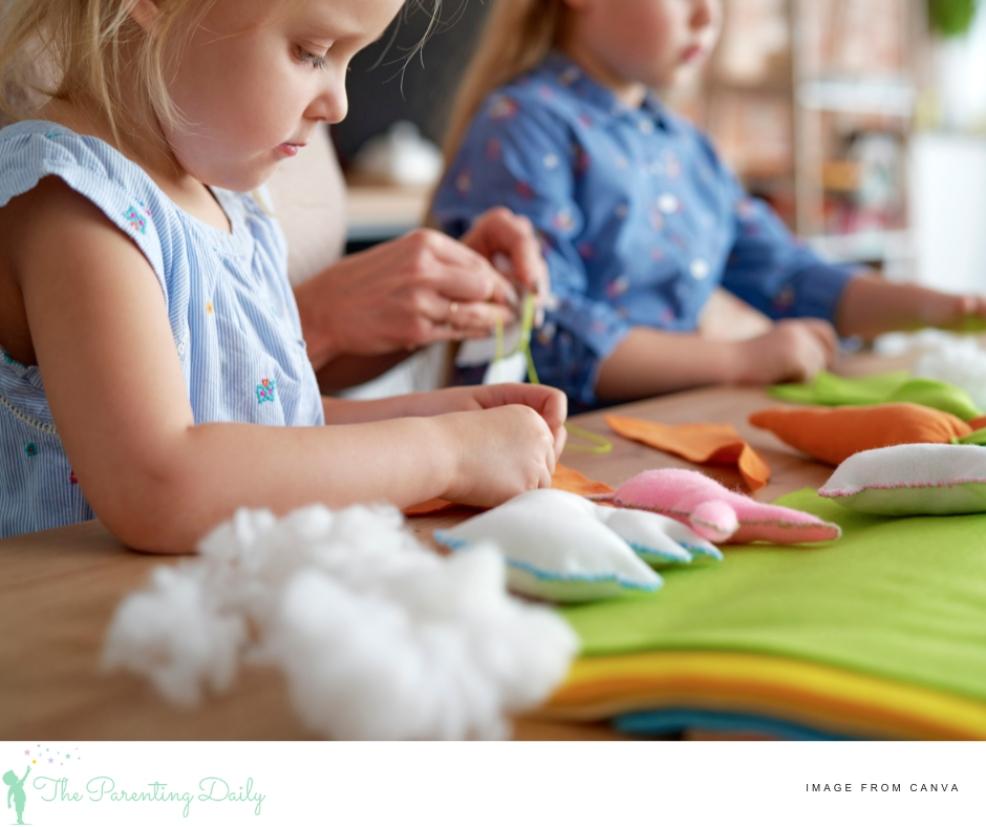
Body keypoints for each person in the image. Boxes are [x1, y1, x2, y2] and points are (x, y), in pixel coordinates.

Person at [0, 0, 567, 547]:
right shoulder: (75, 202)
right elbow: (161, 483)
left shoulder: (235, 207)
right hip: (74, 625)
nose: (339, 104)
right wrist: (446, 452)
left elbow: (270, 422)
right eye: (311, 51)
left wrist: (444, 418)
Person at [433, 0, 986, 410]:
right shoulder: (523, 125)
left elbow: (788, 276)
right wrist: (742, 359)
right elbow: (544, 332)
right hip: (552, 455)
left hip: (663, 430)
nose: (708, 15)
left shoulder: (685, 146)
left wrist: (952, 308)